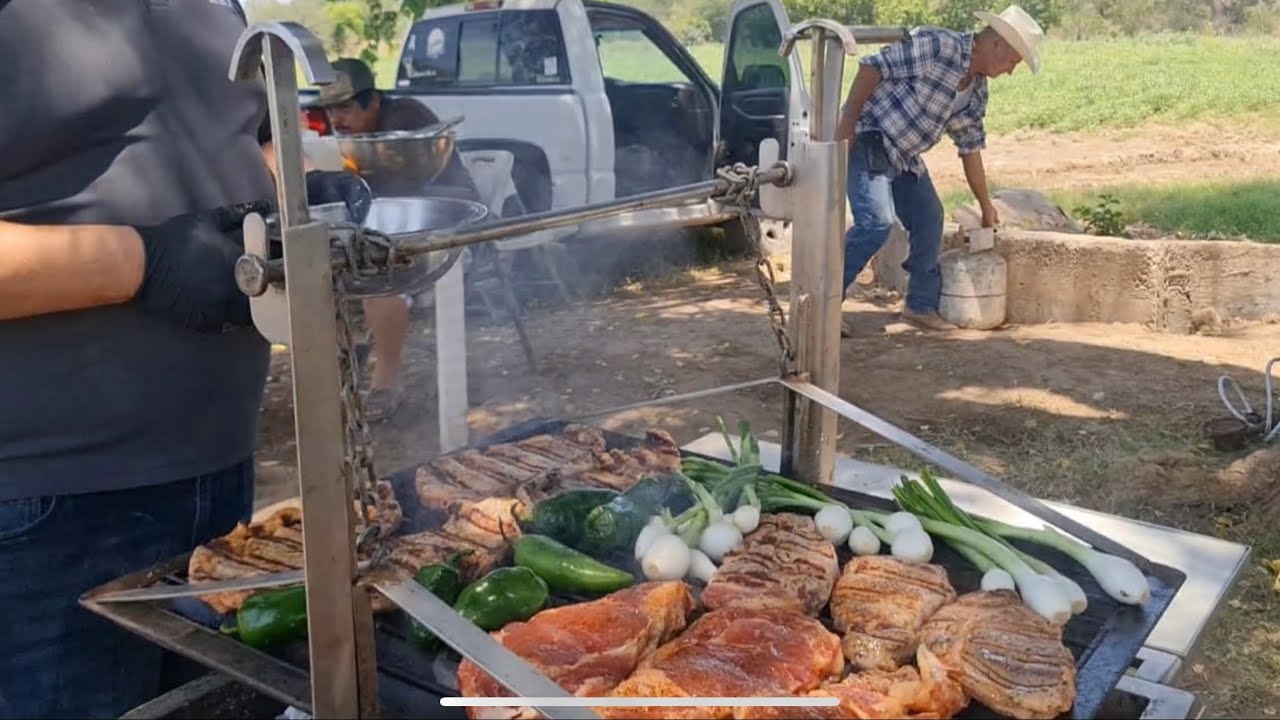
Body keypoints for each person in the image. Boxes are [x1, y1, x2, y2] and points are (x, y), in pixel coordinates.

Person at [0, 2, 367, 717]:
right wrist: (147, 263)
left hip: (220, 485)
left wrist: (296, 200)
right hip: (43, 509)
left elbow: (236, 141)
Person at [834, 4, 1045, 335]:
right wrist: (847, 122)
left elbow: (970, 147)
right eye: (1012, 62)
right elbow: (873, 66)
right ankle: (823, 303)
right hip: (871, 136)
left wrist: (986, 206)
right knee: (877, 222)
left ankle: (919, 306)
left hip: (904, 155)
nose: (1010, 71)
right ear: (996, 45)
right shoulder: (937, 45)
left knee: (930, 217)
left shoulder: (976, 92)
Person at [311, 57, 482, 422]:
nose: (336, 119)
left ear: (372, 101)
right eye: (329, 110)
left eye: (344, 108)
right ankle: (339, 372)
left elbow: (402, 187)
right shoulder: (357, 137)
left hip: (447, 222)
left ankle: (386, 382)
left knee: (378, 279)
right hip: (393, 225)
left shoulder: (403, 120)